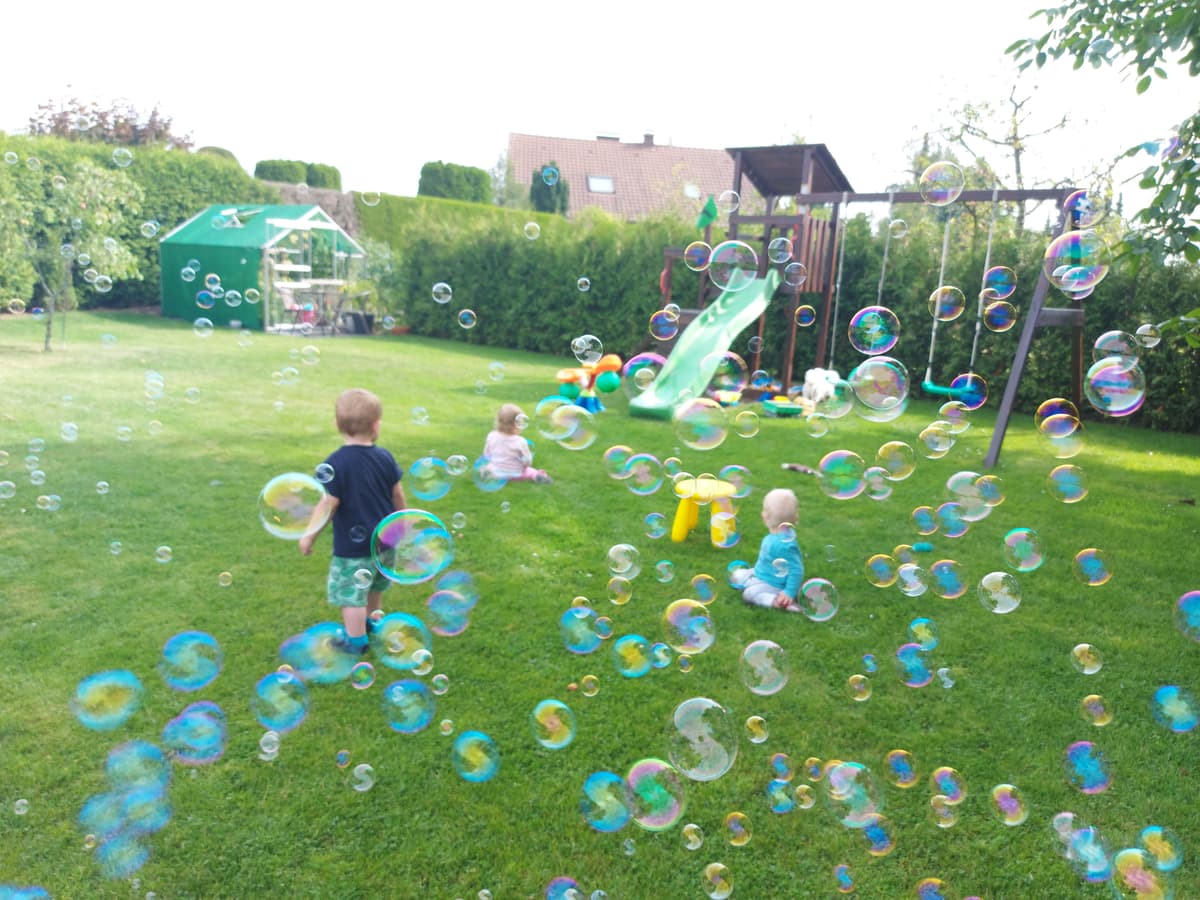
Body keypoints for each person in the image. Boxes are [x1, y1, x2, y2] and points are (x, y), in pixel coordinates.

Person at [299, 388, 406, 654]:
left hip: (352, 548)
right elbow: (397, 494)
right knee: (374, 585)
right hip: (385, 542)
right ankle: (373, 624)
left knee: (351, 595)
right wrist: (401, 524)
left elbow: (328, 504)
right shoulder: (385, 457)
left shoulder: (336, 463)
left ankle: (355, 641)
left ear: (338, 425)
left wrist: (309, 534)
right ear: (376, 425)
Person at [731, 487, 804, 612]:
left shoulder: (783, 545)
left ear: (765, 517)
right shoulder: (777, 538)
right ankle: (752, 581)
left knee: (749, 594)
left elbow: (796, 570)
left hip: (774, 584)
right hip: (762, 573)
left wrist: (789, 592)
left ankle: (776, 602)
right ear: (795, 518)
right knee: (737, 575)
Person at [483, 403, 552, 483]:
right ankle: (536, 475)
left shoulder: (491, 435)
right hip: (515, 473)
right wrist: (525, 465)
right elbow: (527, 461)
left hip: (497, 472)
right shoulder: (520, 441)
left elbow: (487, 454)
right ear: (517, 425)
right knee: (530, 471)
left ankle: (488, 474)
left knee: (488, 467)